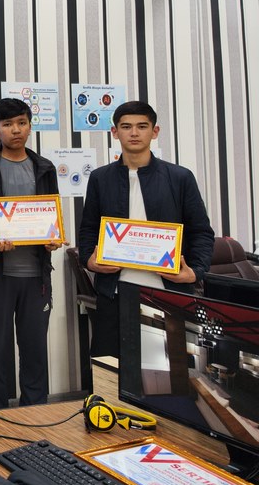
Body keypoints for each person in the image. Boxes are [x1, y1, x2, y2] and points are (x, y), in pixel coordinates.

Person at [77, 101, 214, 357]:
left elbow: (201, 232)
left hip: (168, 292)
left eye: (142, 126)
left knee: (169, 369)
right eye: (126, 126)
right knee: (110, 366)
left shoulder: (180, 177)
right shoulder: (100, 178)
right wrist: (89, 261)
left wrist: (195, 272)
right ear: (115, 132)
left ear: (155, 131)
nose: (134, 133)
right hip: (115, 291)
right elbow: (88, 229)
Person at [0, 98, 60, 409]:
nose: (15, 129)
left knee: (35, 348)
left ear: (30, 126)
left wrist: (52, 239)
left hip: (36, 276)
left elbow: (51, 215)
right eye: (7, 124)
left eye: (21, 123)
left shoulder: (44, 167)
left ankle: (34, 411)